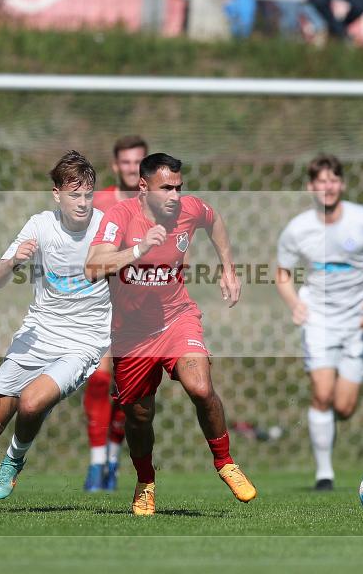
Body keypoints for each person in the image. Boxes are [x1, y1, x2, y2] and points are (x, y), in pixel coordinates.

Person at [0, 150, 111, 512]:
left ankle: (14, 459)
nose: (82, 202)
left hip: (84, 342)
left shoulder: (107, 227)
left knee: (31, 402)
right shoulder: (40, 225)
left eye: (88, 194)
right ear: (56, 194)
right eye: (74, 194)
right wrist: (14, 260)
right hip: (37, 334)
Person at [85, 152, 257, 516]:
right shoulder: (120, 216)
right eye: (166, 188)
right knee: (138, 417)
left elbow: (215, 220)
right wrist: (139, 248)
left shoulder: (189, 209)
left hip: (177, 319)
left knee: (200, 386)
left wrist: (228, 268)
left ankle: (225, 462)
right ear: (143, 187)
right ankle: (145, 481)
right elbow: (93, 266)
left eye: (178, 187)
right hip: (132, 335)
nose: (175, 195)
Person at [275, 154, 363, 491]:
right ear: (310, 187)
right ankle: (324, 474)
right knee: (321, 393)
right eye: (321, 181)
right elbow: (282, 273)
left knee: (343, 407)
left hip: (359, 321)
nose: (327, 187)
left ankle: (331, 428)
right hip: (319, 319)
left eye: (333, 180)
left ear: (341, 184)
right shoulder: (298, 229)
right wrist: (294, 302)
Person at [81, 135, 149, 492]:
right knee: (98, 379)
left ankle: (112, 458)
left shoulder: (158, 203)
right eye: (126, 162)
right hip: (99, 302)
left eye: (138, 161)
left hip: (139, 305)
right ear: (115, 165)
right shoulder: (100, 202)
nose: (132, 168)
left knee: (128, 388)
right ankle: (96, 465)